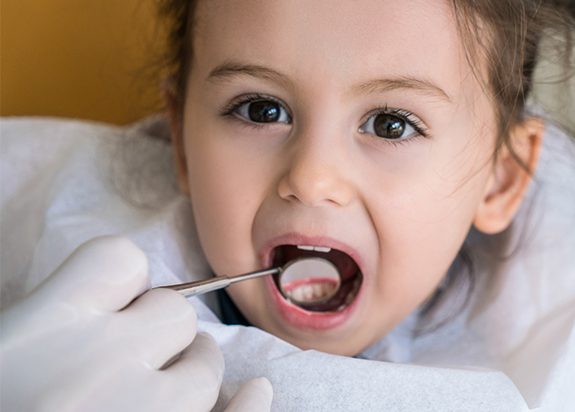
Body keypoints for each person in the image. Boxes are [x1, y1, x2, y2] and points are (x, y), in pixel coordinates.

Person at [1, 0, 574, 410]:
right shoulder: (41, 248)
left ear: (501, 180)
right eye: (260, 110)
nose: (311, 176)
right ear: (180, 141)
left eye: (390, 123)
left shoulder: (549, 360)